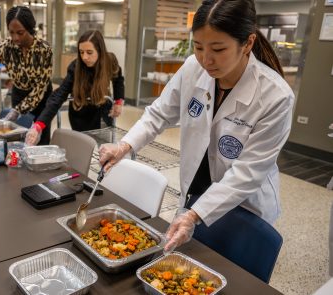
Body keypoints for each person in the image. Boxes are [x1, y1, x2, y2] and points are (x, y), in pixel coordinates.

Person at [99, 0, 293, 254]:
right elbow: (159, 113)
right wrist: (124, 146)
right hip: (196, 191)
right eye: (198, 47)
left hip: (244, 205)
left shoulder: (275, 96)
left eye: (218, 49)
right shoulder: (193, 67)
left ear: (248, 43)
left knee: (230, 270)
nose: (206, 59)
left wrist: (194, 216)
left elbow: (247, 173)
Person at [0, 6, 53, 144]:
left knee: (39, 140)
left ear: (30, 29)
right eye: (11, 32)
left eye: (20, 32)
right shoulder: (6, 47)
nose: (15, 37)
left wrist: (17, 111)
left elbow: (39, 89)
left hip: (41, 99)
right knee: (15, 137)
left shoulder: (44, 50)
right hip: (19, 94)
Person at [25, 30, 124, 146]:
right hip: (80, 115)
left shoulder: (110, 60)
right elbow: (59, 95)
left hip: (103, 112)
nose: (84, 57)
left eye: (89, 52)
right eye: (81, 52)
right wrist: (38, 125)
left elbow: (118, 79)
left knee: (104, 150)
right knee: (83, 149)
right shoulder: (75, 67)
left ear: (100, 51)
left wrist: (118, 101)